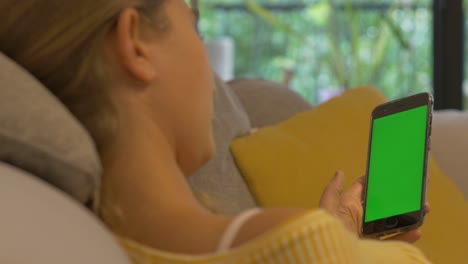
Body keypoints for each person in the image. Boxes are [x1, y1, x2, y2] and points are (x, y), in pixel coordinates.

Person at [0, 0, 430, 262]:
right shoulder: (306, 243)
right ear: (135, 43)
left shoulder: (97, 246)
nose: (211, 74)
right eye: (194, 26)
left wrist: (349, 235)